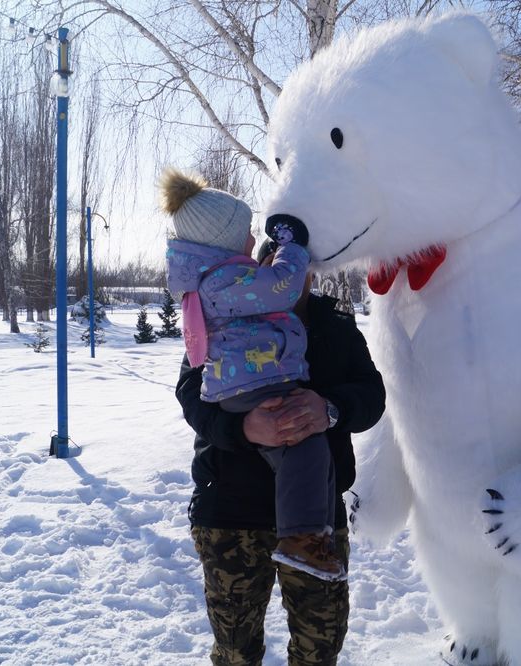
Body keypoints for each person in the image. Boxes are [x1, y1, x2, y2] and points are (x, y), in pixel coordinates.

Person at [175, 232, 386, 666]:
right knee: (235, 650)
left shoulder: (335, 325)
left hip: (316, 524)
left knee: (320, 647)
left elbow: (372, 395)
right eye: (272, 260)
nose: (289, 275)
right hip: (232, 514)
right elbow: (191, 394)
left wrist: (330, 408)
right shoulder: (221, 314)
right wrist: (244, 427)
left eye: (298, 265)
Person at [162, 168, 348, 581]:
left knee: (309, 448)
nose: (250, 240)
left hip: (249, 384)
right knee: (305, 446)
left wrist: (330, 408)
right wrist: (293, 245)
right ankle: (302, 540)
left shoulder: (222, 287)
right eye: (246, 234)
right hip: (231, 493)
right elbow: (281, 287)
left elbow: (369, 396)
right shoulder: (227, 282)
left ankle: (306, 537)